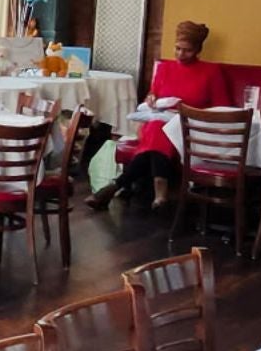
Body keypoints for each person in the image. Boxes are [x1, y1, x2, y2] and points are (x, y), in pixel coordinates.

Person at [87, 20, 235, 212]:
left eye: (187, 50)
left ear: (198, 50)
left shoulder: (211, 72)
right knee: (157, 127)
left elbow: (222, 108)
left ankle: (116, 186)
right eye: (178, 48)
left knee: (157, 129)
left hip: (190, 126)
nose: (181, 54)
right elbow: (153, 94)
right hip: (159, 121)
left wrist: (188, 111)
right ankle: (160, 190)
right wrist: (151, 99)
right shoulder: (165, 69)